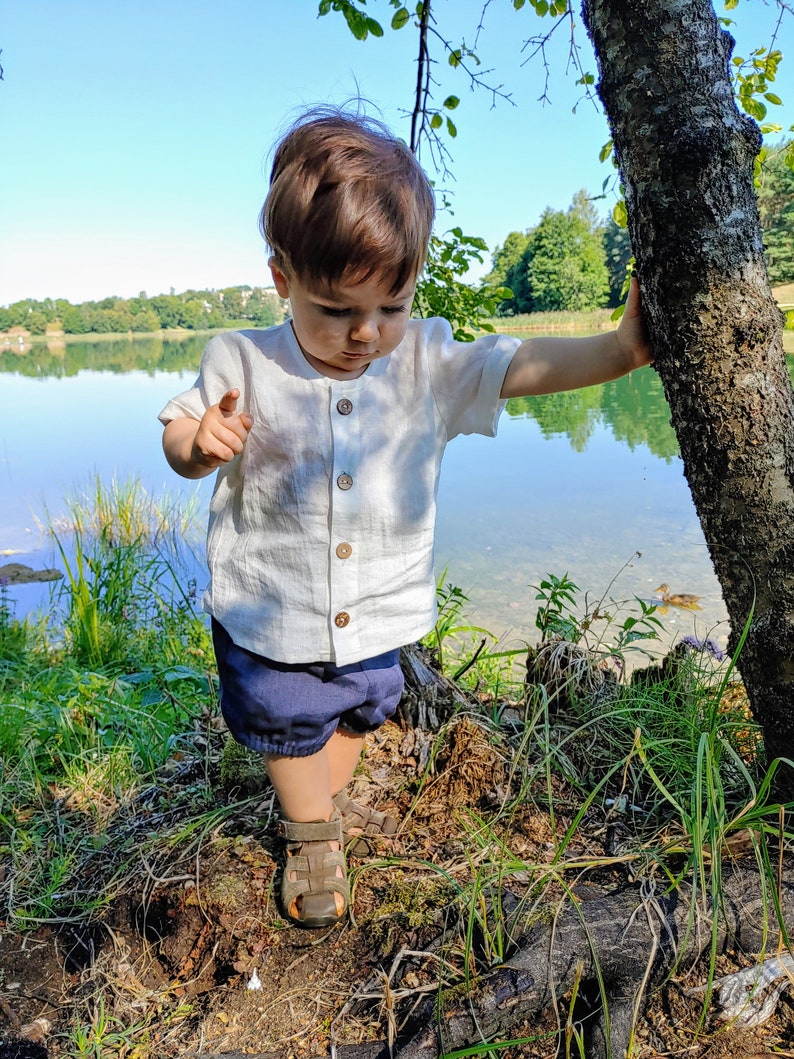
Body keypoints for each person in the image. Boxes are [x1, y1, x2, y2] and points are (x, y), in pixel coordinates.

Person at [159, 107, 652, 929]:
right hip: (270, 611)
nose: (365, 334)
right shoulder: (241, 359)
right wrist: (201, 441)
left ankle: (322, 791)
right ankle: (312, 835)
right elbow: (179, 433)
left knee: (364, 707)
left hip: (379, 611)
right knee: (285, 731)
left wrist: (620, 349)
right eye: (335, 310)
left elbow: (516, 362)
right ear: (282, 278)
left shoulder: (422, 359)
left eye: (390, 307)